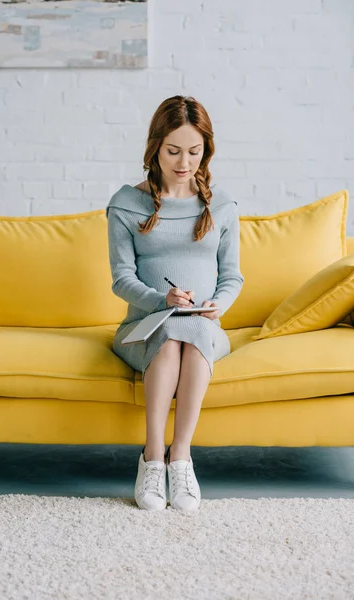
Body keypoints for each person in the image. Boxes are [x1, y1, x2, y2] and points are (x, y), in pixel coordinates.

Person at [105, 95, 244, 512]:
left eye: (194, 151)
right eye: (173, 151)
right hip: (145, 327)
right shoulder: (127, 204)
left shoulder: (221, 206)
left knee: (194, 329)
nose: (184, 162)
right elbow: (121, 279)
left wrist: (218, 303)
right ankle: (152, 457)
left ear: (206, 151)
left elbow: (232, 276)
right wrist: (160, 299)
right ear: (155, 148)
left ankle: (180, 458)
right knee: (169, 333)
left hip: (204, 327)